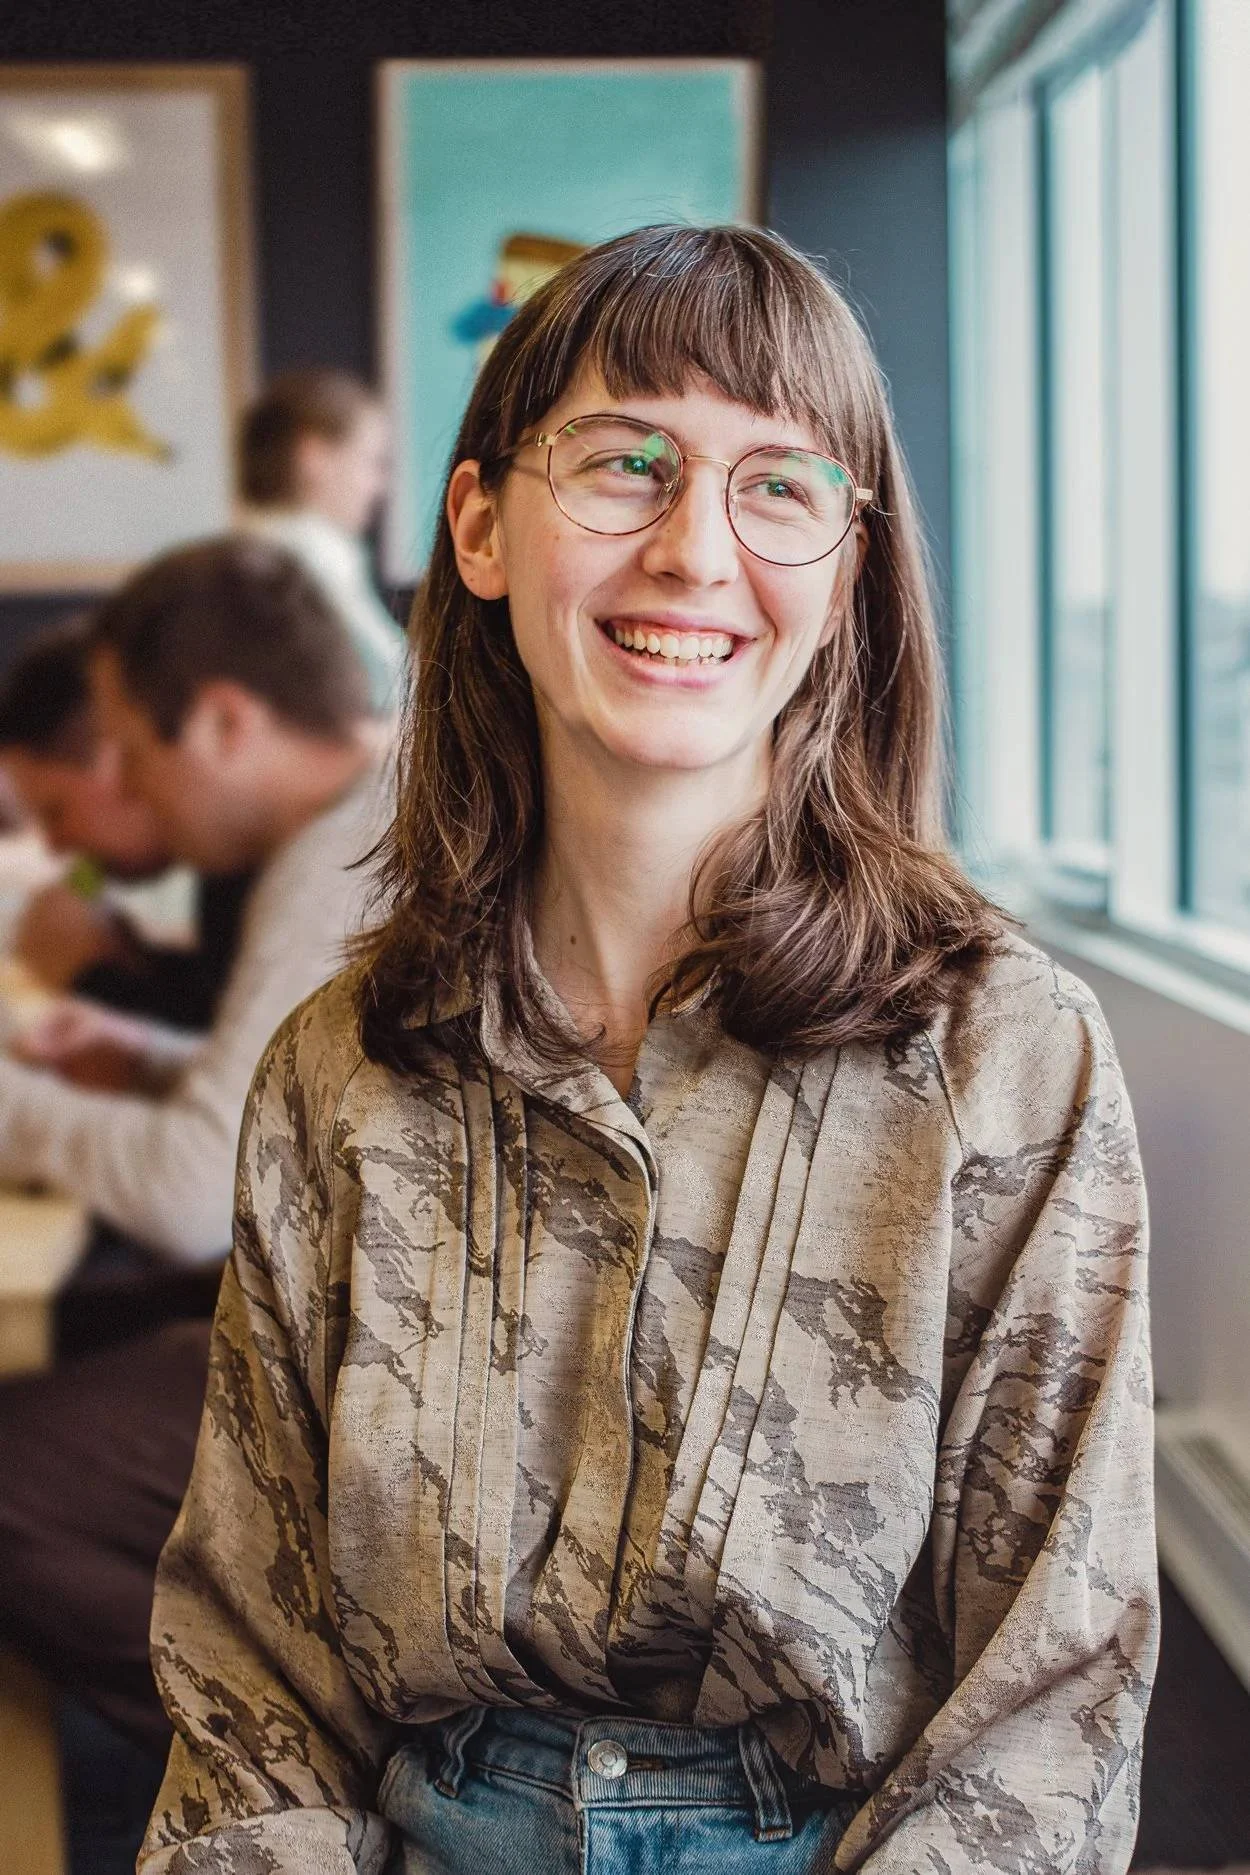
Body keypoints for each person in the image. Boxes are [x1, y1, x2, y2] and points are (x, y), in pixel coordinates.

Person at [140, 226, 1158, 1875]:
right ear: (479, 524)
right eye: (628, 464)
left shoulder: (1001, 1055)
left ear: (843, 570)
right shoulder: (340, 1067)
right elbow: (251, 1671)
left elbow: (1055, 1692)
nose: (695, 551)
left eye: (779, 487)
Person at [0, 534, 391, 1765]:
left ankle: (295, 1768)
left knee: (10, 1480)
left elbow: (189, 1192)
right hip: (361, 1287)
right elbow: (289, 1106)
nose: (121, 786)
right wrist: (137, 1060)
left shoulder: (343, 854)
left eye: (126, 748)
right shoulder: (369, 814)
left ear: (224, 721)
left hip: (389, 1353)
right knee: (81, 1334)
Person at [0, 618, 250, 1030]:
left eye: (56, 811)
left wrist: (88, 978)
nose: (57, 845)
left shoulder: (260, 856)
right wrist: (126, 957)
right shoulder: (221, 864)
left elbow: (235, 1070)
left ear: (115, 756)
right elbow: (217, 999)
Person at [238, 366, 406, 710]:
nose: (380, 487)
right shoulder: (305, 565)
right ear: (313, 456)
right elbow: (380, 701)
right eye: (372, 462)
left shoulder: (259, 555)